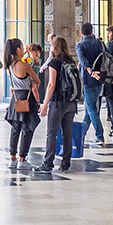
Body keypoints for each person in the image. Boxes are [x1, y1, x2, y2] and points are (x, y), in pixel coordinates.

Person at [36, 36, 78, 173]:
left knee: (51, 133)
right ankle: (66, 164)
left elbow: (51, 84)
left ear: (54, 47)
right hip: (71, 103)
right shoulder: (71, 61)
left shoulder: (54, 62)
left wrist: (45, 103)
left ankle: (48, 164)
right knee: (67, 134)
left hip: (58, 102)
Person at [3, 38, 40, 168]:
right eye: (22, 47)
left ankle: (12, 158)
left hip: (15, 99)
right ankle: (22, 159)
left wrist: (25, 51)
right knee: (27, 128)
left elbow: (19, 57)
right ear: (18, 49)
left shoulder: (10, 65)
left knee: (15, 128)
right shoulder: (24, 65)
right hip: (26, 97)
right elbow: (37, 80)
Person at [75, 22, 107, 146]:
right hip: (100, 78)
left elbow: (83, 60)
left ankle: (99, 135)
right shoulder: (99, 43)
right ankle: (82, 133)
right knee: (90, 108)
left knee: (91, 107)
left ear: (82, 33)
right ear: (92, 31)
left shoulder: (80, 45)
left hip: (89, 80)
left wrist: (90, 70)